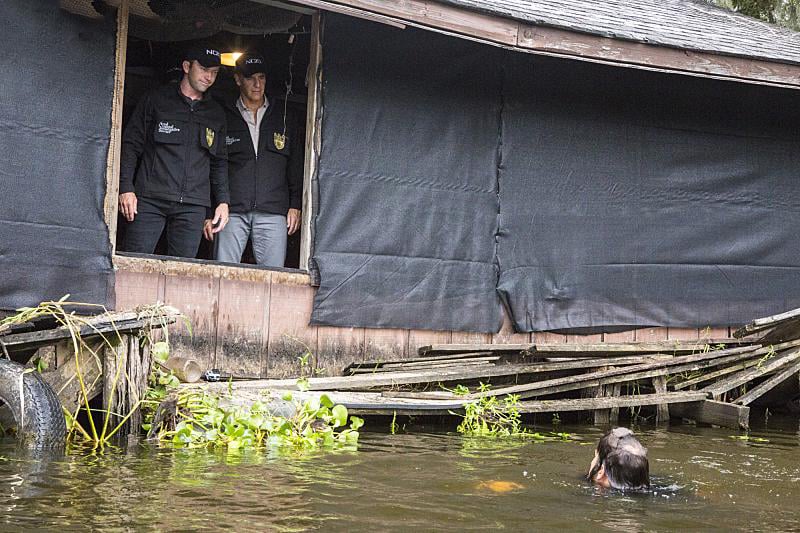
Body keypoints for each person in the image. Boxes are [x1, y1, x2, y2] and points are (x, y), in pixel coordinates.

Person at [119, 46, 230, 258]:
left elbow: (219, 162)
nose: (209, 77)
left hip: (193, 205)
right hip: (150, 198)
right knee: (134, 262)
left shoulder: (216, 113)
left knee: (183, 273)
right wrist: (126, 187)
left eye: (214, 72)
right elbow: (131, 144)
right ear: (187, 66)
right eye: (205, 69)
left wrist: (223, 201)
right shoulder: (156, 100)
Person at [205, 52, 302, 267]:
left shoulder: (284, 115)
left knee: (273, 277)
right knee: (221, 273)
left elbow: (295, 164)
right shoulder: (224, 115)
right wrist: (209, 208)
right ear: (238, 79)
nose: (257, 84)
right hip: (231, 211)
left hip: (274, 211)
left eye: (262, 77)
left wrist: (296, 204)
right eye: (250, 78)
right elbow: (211, 164)